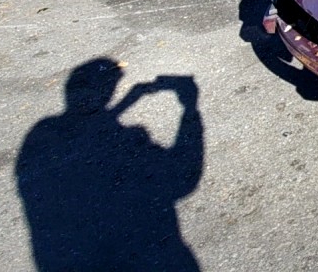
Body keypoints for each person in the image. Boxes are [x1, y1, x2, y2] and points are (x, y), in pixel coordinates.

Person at [16, 58, 203, 271]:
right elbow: (182, 182)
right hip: (146, 255)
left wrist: (130, 100)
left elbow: (88, 130)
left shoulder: (42, 132)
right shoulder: (53, 134)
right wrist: (190, 107)